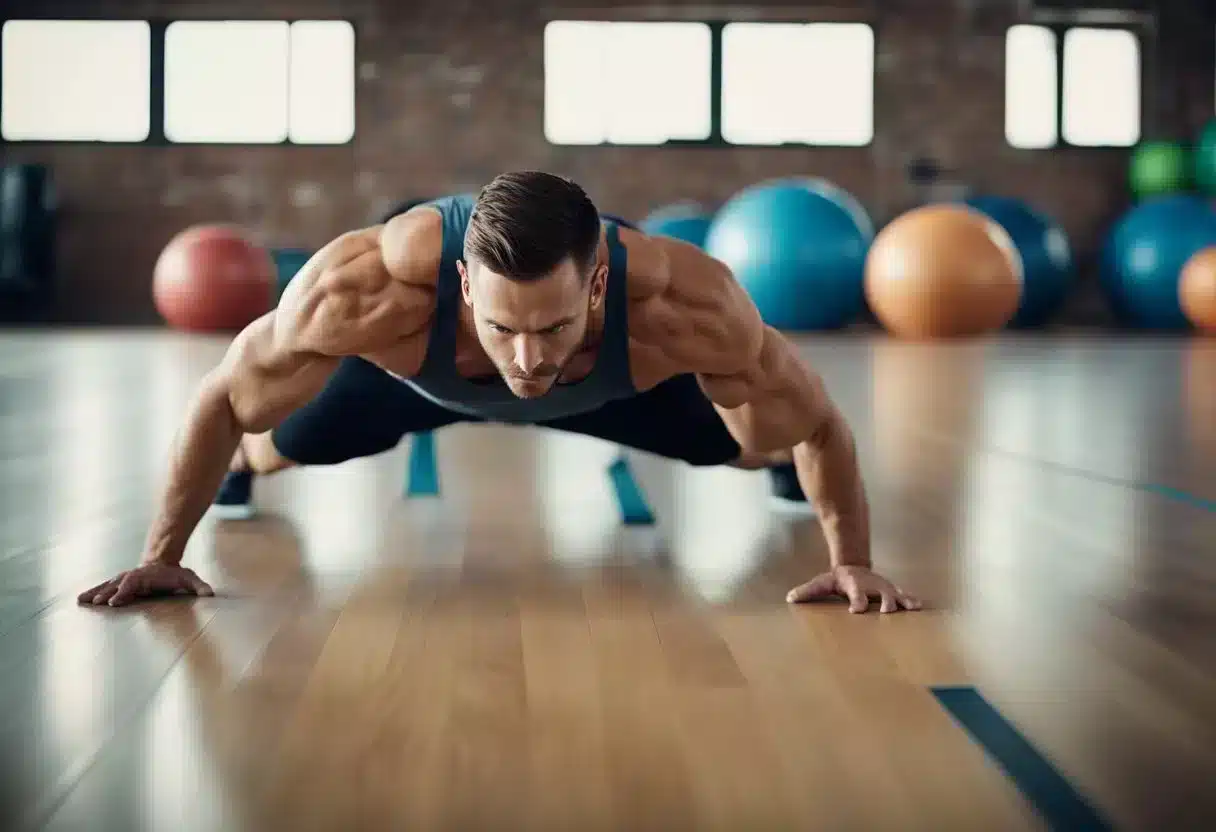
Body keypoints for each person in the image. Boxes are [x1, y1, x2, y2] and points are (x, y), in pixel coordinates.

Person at [78, 171, 921, 615]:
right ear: (461, 284)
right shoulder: (368, 288)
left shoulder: (686, 307)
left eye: (549, 327)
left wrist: (850, 562)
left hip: (619, 385)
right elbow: (222, 395)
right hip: (416, 381)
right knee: (270, 438)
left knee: (756, 438)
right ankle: (247, 472)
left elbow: (819, 424)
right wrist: (162, 555)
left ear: (595, 288)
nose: (525, 361)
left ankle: (752, 457)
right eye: (502, 325)